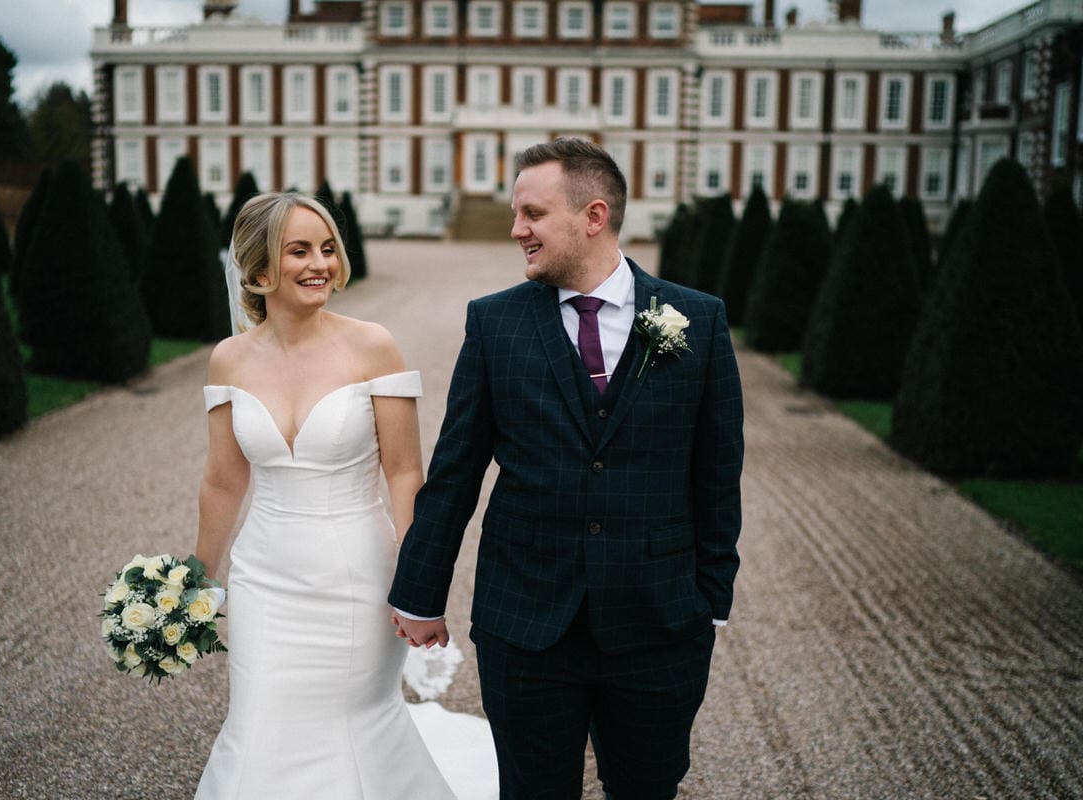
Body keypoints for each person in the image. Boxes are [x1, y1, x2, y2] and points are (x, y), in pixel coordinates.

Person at [390, 138, 744, 799]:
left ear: (594, 215)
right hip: (525, 619)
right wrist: (420, 591)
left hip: (659, 624)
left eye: (532, 213)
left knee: (647, 787)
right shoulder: (494, 323)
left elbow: (719, 472)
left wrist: (710, 600)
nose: (516, 229)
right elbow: (457, 469)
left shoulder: (697, 319)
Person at [192, 192, 492, 799]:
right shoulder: (228, 360)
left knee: (355, 721)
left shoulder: (372, 346)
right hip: (264, 580)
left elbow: (405, 472)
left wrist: (419, 583)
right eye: (299, 250)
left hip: (357, 575)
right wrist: (193, 580)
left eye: (328, 248)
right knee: (258, 721)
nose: (320, 264)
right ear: (257, 270)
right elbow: (224, 480)